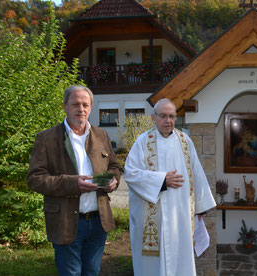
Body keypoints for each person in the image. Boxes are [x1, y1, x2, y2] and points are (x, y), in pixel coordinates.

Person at [27, 85, 120, 275]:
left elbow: (114, 167)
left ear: (91, 107)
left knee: (92, 272)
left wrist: (113, 180)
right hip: (66, 221)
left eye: (85, 105)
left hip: (98, 221)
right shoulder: (47, 138)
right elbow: (35, 178)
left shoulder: (101, 135)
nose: (81, 109)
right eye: (75, 104)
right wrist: (72, 184)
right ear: (65, 106)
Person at [124, 98, 216, 275]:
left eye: (172, 116)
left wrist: (200, 206)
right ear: (153, 118)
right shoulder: (143, 142)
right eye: (163, 116)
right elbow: (130, 173)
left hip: (180, 215)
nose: (168, 121)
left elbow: (197, 172)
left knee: (181, 260)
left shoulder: (185, 141)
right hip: (153, 218)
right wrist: (161, 180)